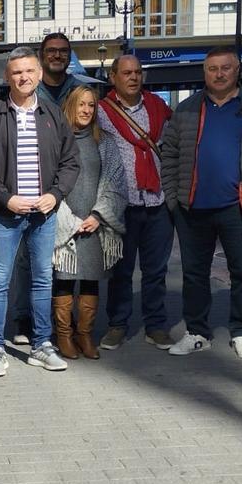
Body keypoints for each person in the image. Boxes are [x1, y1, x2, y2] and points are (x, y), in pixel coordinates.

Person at [160, 46, 242, 359]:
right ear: (204, 72)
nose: (219, 74)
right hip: (192, 209)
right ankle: (197, 332)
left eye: (225, 68)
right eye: (212, 68)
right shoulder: (186, 110)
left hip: (240, 208)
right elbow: (170, 155)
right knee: (194, 274)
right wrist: (174, 199)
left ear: (237, 70)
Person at [0, 46, 80, 373]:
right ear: (7, 76)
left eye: (29, 71)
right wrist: (4, 198)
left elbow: (70, 161)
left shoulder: (53, 115)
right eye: (17, 72)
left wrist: (56, 195)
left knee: (43, 280)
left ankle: (41, 345)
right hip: (5, 215)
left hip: (43, 215)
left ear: (39, 74)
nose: (23, 77)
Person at [95, 56, 176, 352]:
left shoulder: (158, 107)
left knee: (156, 270)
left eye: (138, 72)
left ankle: (155, 325)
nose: (133, 77)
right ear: (113, 77)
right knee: (121, 271)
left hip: (157, 200)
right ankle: (117, 324)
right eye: (127, 73)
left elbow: (174, 146)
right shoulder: (101, 111)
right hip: (122, 203)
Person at [51, 87, 126, 360]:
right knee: (64, 279)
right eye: (81, 104)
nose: (86, 110)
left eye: (91, 105)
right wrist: (68, 220)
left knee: (91, 280)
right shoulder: (55, 139)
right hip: (64, 222)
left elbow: (116, 181)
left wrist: (98, 215)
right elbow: (47, 180)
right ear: (70, 105)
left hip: (95, 223)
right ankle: (64, 335)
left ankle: (85, 335)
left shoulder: (104, 141)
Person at [36, 32, 92, 108]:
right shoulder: (30, 92)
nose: (57, 56)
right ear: (41, 55)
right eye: (51, 50)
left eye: (63, 51)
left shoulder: (83, 91)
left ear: (70, 56)